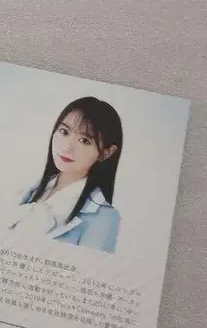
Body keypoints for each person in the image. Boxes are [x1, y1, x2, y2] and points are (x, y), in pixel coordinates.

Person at [8, 97, 123, 253]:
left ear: (106, 153)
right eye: (64, 132)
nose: (67, 147)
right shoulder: (29, 190)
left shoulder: (104, 218)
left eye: (84, 140)